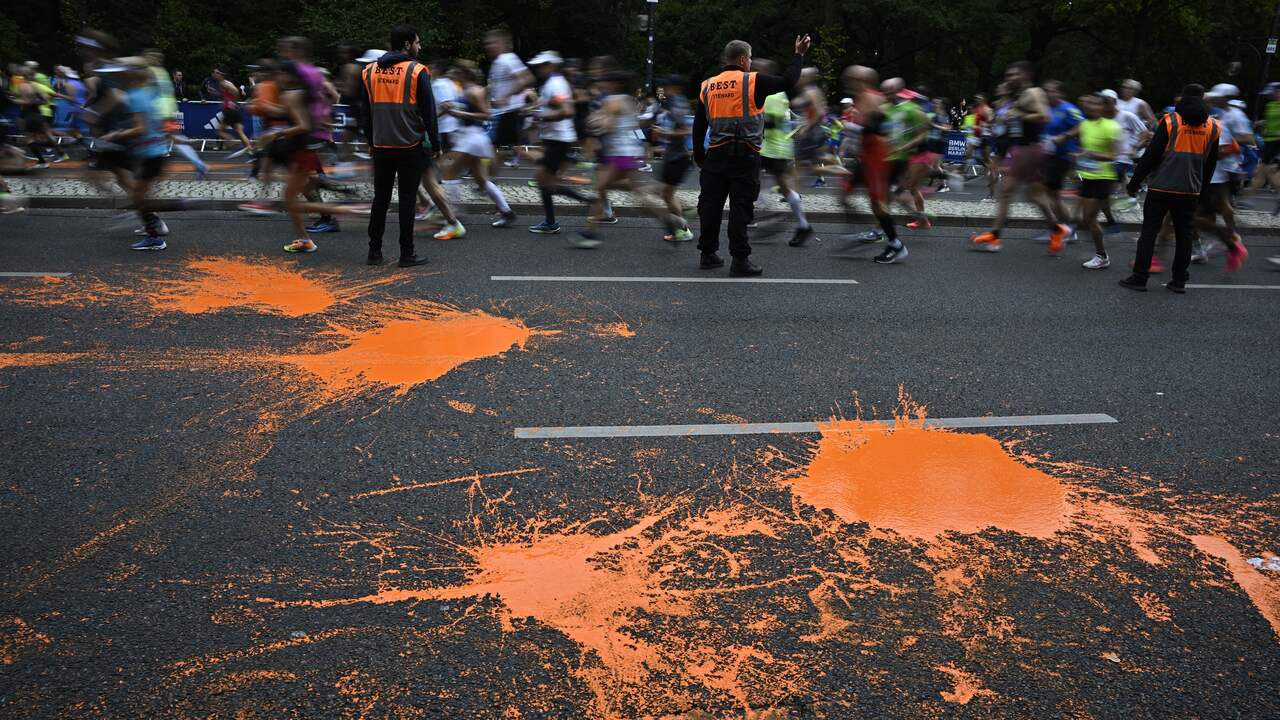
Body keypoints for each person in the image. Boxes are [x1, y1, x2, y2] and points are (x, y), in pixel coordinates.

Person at [693, 36, 809, 276]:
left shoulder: (707, 85)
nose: (752, 61)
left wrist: (699, 155)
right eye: (751, 57)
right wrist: (798, 54)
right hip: (744, 155)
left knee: (710, 207)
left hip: (715, 154)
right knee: (740, 208)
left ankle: (708, 254)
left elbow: (699, 124)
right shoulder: (752, 81)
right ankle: (740, 260)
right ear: (744, 59)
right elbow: (788, 80)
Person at [1119, 85, 1244, 293]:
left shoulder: (1170, 121)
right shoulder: (1214, 126)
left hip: (1161, 187)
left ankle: (1140, 277)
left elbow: (1151, 156)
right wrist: (1201, 189)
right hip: (1190, 190)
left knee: (1149, 232)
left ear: (1183, 99)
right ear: (1203, 100)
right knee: (1184, 235)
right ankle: (1179, 281)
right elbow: (1210, 163)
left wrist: (1134, 184)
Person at [570, 69, 691, 249]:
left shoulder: (614, 100)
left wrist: (594, 123)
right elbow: (633, 123)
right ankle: (668, 219)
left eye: (606, 81)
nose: (602, 84)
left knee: (602, 187)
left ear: (615, 84)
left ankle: (590, 233)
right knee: (636, 195)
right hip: (627, 152)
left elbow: (607, 125)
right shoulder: (626, 99)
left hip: (621, 153)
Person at [969, 61, 1072, 254]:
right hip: (1022, 149)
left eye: (1013, 75)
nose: (1009, 78)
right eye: (1008, 75)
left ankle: (995, 237)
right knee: (1032, 195)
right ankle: (1057, 229)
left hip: (1030, 149)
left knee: (1009, 193)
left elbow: (1044, 116)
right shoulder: (1019, 97)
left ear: (1025, 74)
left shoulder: (1033, 93)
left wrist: (1018, 115)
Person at [359, 25, 439, 267]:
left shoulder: (369, 71)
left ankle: (374, 252)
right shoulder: (417, 71)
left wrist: (370, 141)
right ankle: (407, 254)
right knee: (407, 199)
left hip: (381, 145)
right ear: (406, 44)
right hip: (409, 145)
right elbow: (429, 112)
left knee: (380, 199)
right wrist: (436, 143)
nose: (419, 46)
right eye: (417, 42)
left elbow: (366, 113)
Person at [836, 64, 908, 263]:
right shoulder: (860, 99)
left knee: (878, 205)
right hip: (866, 156)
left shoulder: (874, 99)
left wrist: (852, 129)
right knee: (843, 197)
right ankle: (872, 232)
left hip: (877, 157)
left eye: (851, 78)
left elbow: (880, 129)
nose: (847, 81)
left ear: (862, 80)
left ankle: (895, 244)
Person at [437, 60, 516, 227]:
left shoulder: (474, 91)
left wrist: (457, 112)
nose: (453, 75)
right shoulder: (465, 90)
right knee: (481, 179)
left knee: (449, 173)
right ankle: (506, 212)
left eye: (457, 73)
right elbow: (461, 110)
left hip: (472, 138)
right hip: (470, 138)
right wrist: (450, 109)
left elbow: (486, 115)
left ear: (464, 74)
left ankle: (454, 215)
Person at [527, 51, 592, 234]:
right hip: (555, 139)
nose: (538, 68)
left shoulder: (556, 84)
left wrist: (543, 116)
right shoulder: (552, 83)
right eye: (537, 65)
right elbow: (550, 105)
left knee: (545, 181)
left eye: (542, 65)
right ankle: (554, 220)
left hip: (559, 140)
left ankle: (589, 204)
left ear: (552, 65)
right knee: (546, 182)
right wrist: (532, 109)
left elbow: (567, 110)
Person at [1074, 93, 1121, 269]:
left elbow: (1114, 155)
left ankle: (1102, 256)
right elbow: (1083, 148)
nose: (1091, 106)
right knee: (1086, 219)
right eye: (1090, 103)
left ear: (1103, 107)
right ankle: (1105, 235)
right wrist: (1079, 156)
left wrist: (1094, 155)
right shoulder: (1085, 124)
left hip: (1103, 177)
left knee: (1089, 218)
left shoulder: (1111, 127)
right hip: (1087, 176)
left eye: (1096, 104)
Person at [653, 74, 696, 243]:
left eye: (666, 86)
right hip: (674, 155)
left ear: (676, 87)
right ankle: (686, 211)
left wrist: (665, 133)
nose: (663, 89)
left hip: (679, 157)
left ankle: (683, 230)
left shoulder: (678, 103)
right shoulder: (672, 101)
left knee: (666, 194)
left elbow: (686, 130)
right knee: (665, 193)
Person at [1039, 80, 1083, 238]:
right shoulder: (1046, 108)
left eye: (1051, 91)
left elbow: (1082, 125)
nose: (1047, 94)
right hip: (1048, 156)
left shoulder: (1068, 109)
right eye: (1046, 91)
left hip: (1062, 156)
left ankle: (1065, 227)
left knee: (1048, 193)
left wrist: (1065, 135)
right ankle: (1064, 227)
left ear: (1060, 93)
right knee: (1050, 194)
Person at [484, 29, 534, 168]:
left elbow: (527, 78)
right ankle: (487, 182)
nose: (488, 46)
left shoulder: (508, 59)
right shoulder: (498, 62)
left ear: (502, 43)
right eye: (487, 43)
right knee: (494, 149)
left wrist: (507, 96)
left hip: (509, 112)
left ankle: (549, 166)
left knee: (492, 147)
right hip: (501, 113)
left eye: (492, 43)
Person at [210, 68, 253, 156]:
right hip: (234, 110)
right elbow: (228, 94)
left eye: (218, 73)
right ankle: (250, 150)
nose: (215, 75)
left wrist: (231, 102)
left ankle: (233, 143)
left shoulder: (223, 83)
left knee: (220, 131)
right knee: (240, 131)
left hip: (229, 111)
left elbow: (236, 91)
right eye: (215, 73)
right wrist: (233, 102)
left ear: (221, 75)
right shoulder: (226, 83)